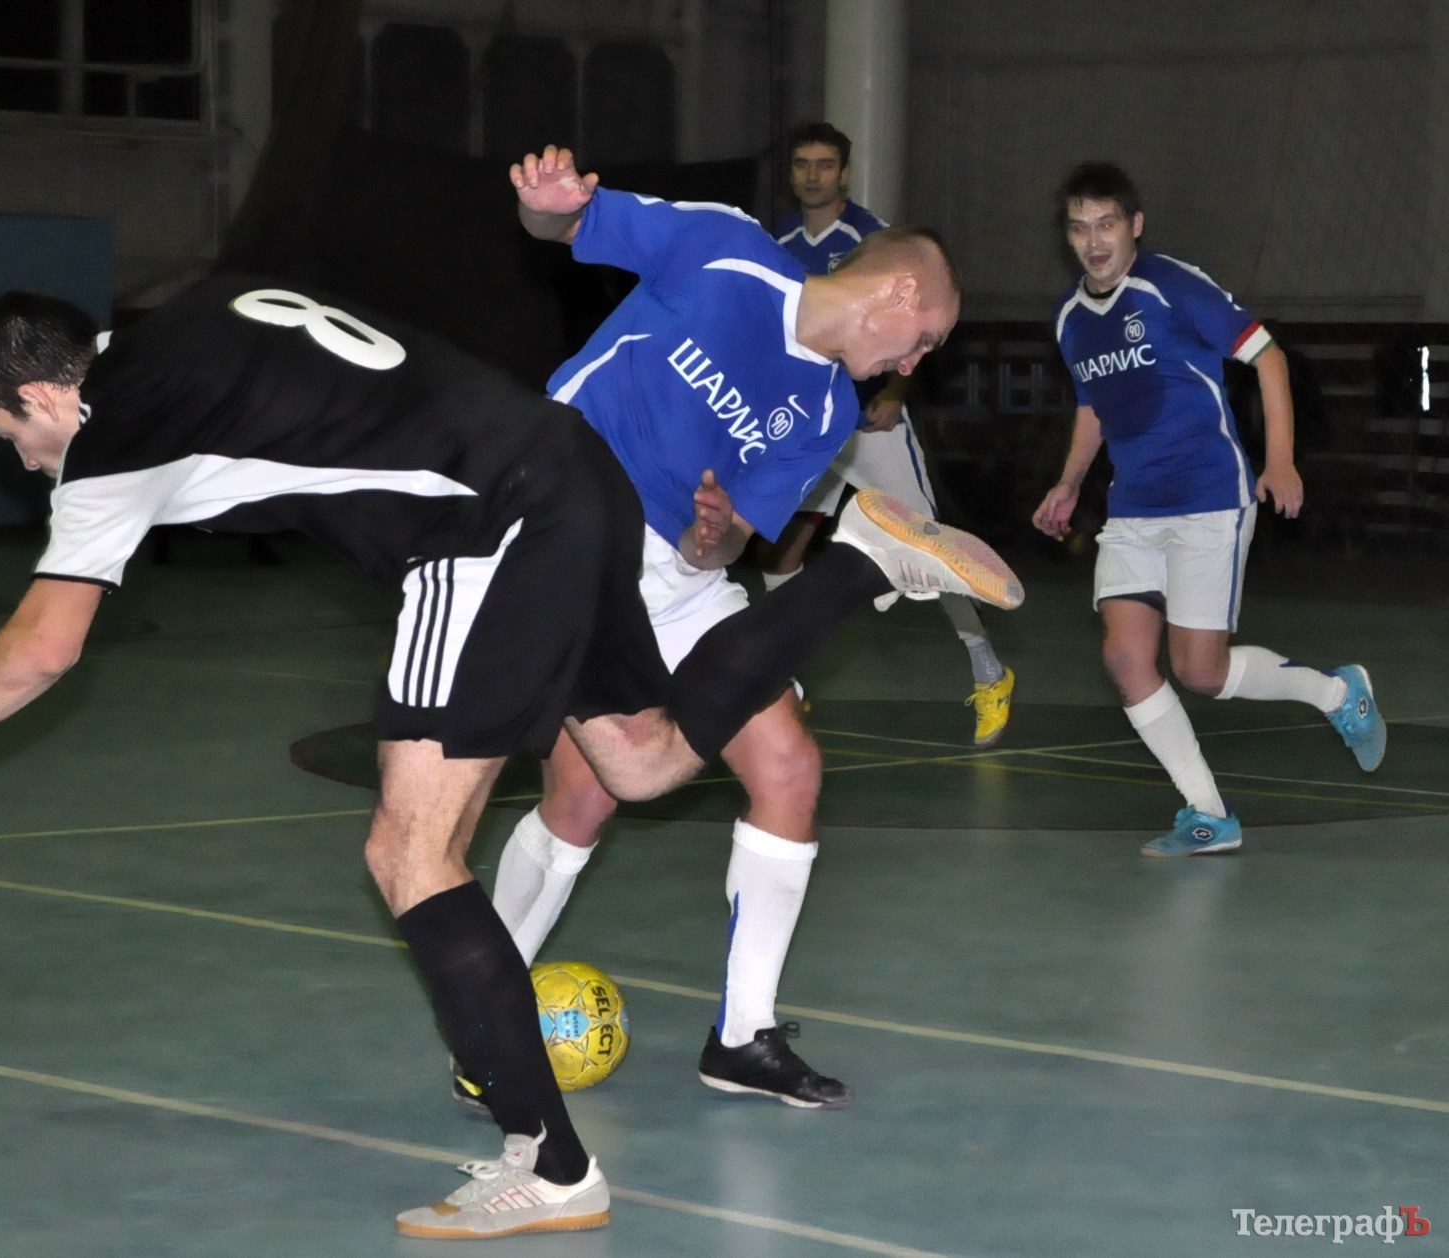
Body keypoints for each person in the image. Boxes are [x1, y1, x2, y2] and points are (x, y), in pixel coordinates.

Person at [0, 272, 1020, 1239]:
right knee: (646, 762)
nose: (28, 463)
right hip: (574, 472)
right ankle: (861, 561)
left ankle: (549, 1164)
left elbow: (47, 646)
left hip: (482, 526)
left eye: (13, 438)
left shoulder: (117, 428)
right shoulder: (198, 309)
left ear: (46, 393)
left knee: (410, 852)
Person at [474, 144, 995, 1117]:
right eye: (925, 338)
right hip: (564, 529)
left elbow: (729, 544)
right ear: (898, 293)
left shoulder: (827, 409)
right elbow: (568, 225)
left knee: (789, 766)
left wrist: (712, 537)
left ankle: (742, 1037)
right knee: (584, 795)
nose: (916, 363)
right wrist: (544, 205)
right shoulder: (727, 253)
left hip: (675, 576)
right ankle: (483, 1030)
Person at [1032, 161, 1385, 858]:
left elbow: (1268, 357)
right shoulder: (1070, 319)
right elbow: (1092, 406)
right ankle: (1207, 813)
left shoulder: (1173, 286)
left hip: (1207, 498)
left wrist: (1279, 460)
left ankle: (1335, 693)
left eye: (1106, 224)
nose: (1093, 241)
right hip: (1132, 508)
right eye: (1078, 228)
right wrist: (1069, 481)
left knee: (1200, 671)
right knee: (1125, 659)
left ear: (1134, 225)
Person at [768, 122, 1015, 747]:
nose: (813, 176)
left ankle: (989, 669)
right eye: (802, 164)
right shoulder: (780, 243)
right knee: (780, 552)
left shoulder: (875, 240)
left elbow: (923, 328)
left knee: (935, 551)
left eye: (825, 165)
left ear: (845, 174)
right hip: (809, 424)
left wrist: (897, 393)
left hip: (870, 427)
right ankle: (782, 681)